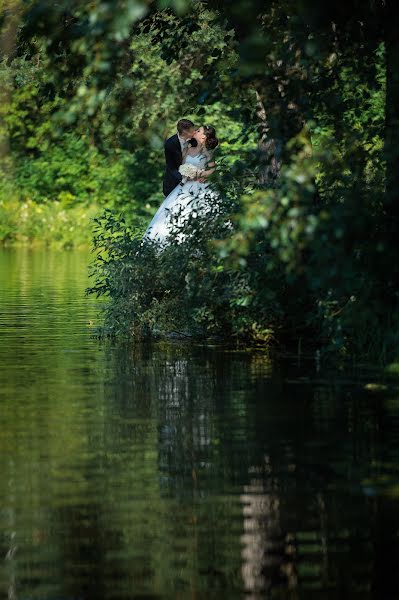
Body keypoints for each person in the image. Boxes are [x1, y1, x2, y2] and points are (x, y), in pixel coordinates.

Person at [144, 125, 219, 245]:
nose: (195, 131)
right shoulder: (188, 148)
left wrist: (201, 174)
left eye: (198, 131)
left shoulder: (208, 153)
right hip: (184, 186)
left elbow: (213, 170)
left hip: (200, 186)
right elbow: (182, 166)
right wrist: (186, 172)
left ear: (204, 137)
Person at [163, 119, 196, 197]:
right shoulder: (170, 143)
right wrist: (184, 178)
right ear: (185, 132)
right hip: (174, 182)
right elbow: (171, 167)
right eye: (192, 130)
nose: (194, 132)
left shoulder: (194, 141)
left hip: (193, 181)